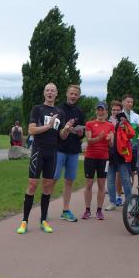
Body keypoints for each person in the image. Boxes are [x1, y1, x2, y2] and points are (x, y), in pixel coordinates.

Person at [16, 82, 68, 234]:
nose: (50, 93)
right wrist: (48, 126)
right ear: (44, 93)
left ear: (56, 94)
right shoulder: (37, 109)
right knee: (32, 184)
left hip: (52, 152)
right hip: (38, 151)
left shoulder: (60, 112)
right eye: (47, 90)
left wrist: (66, 129)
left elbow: (62, 136)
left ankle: (43, 220)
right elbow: (31, 130)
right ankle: (24, 221)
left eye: (52, 90)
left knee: (47, 186)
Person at [55, 84, 86, 222]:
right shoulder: (58, 109)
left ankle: (65, 210)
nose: (73, 96)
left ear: (78, 96)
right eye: (71, 93)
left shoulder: (79, 112)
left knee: (69, 181)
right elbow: (54, 130)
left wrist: (80, 133)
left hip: (73, 151)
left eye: (76, 94)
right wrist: (65, 128)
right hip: (59, 149)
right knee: (52, 179)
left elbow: (82, 134)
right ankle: (44, 209)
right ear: (67, 94)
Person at [82, 101, 114, 220]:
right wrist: (99, 137)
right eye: (99, 109)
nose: (100, 112)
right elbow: (89, 140)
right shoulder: (89, 123)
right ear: (96, 111)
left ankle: (99, 211)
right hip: (90, 157)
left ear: (106, 111)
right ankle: (87, 210)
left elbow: (111, 144)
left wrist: (109, 139)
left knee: (101, 184)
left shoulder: (110, 125)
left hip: (104, 158)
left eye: (102, 109)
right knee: (89, 183)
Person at [104, 100, 135, 211]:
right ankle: (112, 202)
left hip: (122, 154)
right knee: (110, 180)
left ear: (121, 110)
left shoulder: (124, 121)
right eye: (113, 110)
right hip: (109, 154)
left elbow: (131, 134)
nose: (115, 112)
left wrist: (124, 124)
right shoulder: (106, 122)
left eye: (118, 110)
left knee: (125, 179)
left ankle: (129, 202)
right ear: (110, 111)